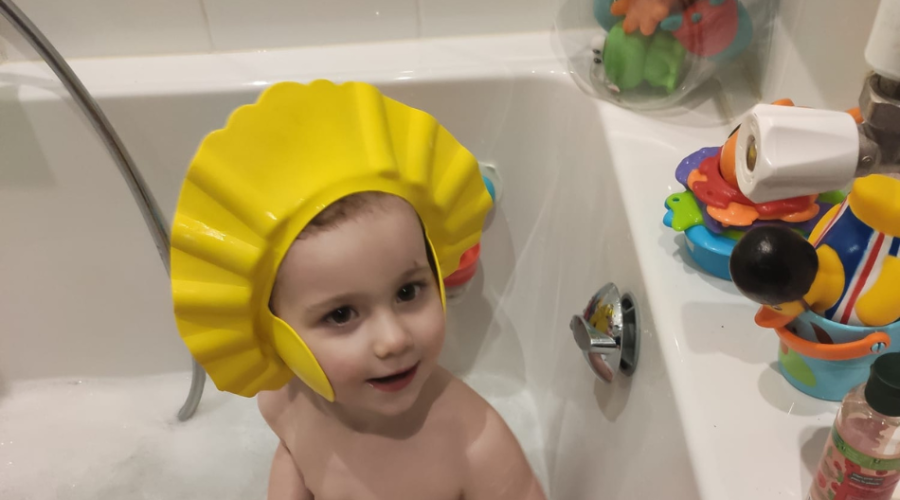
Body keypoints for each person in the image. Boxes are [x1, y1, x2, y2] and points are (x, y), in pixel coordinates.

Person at [168, 80, 546, 500]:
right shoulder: (287, 403)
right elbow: (294, 454)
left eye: (408, 292)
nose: (393, 339)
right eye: (341, 314)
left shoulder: (473, 443)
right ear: (278, 336)